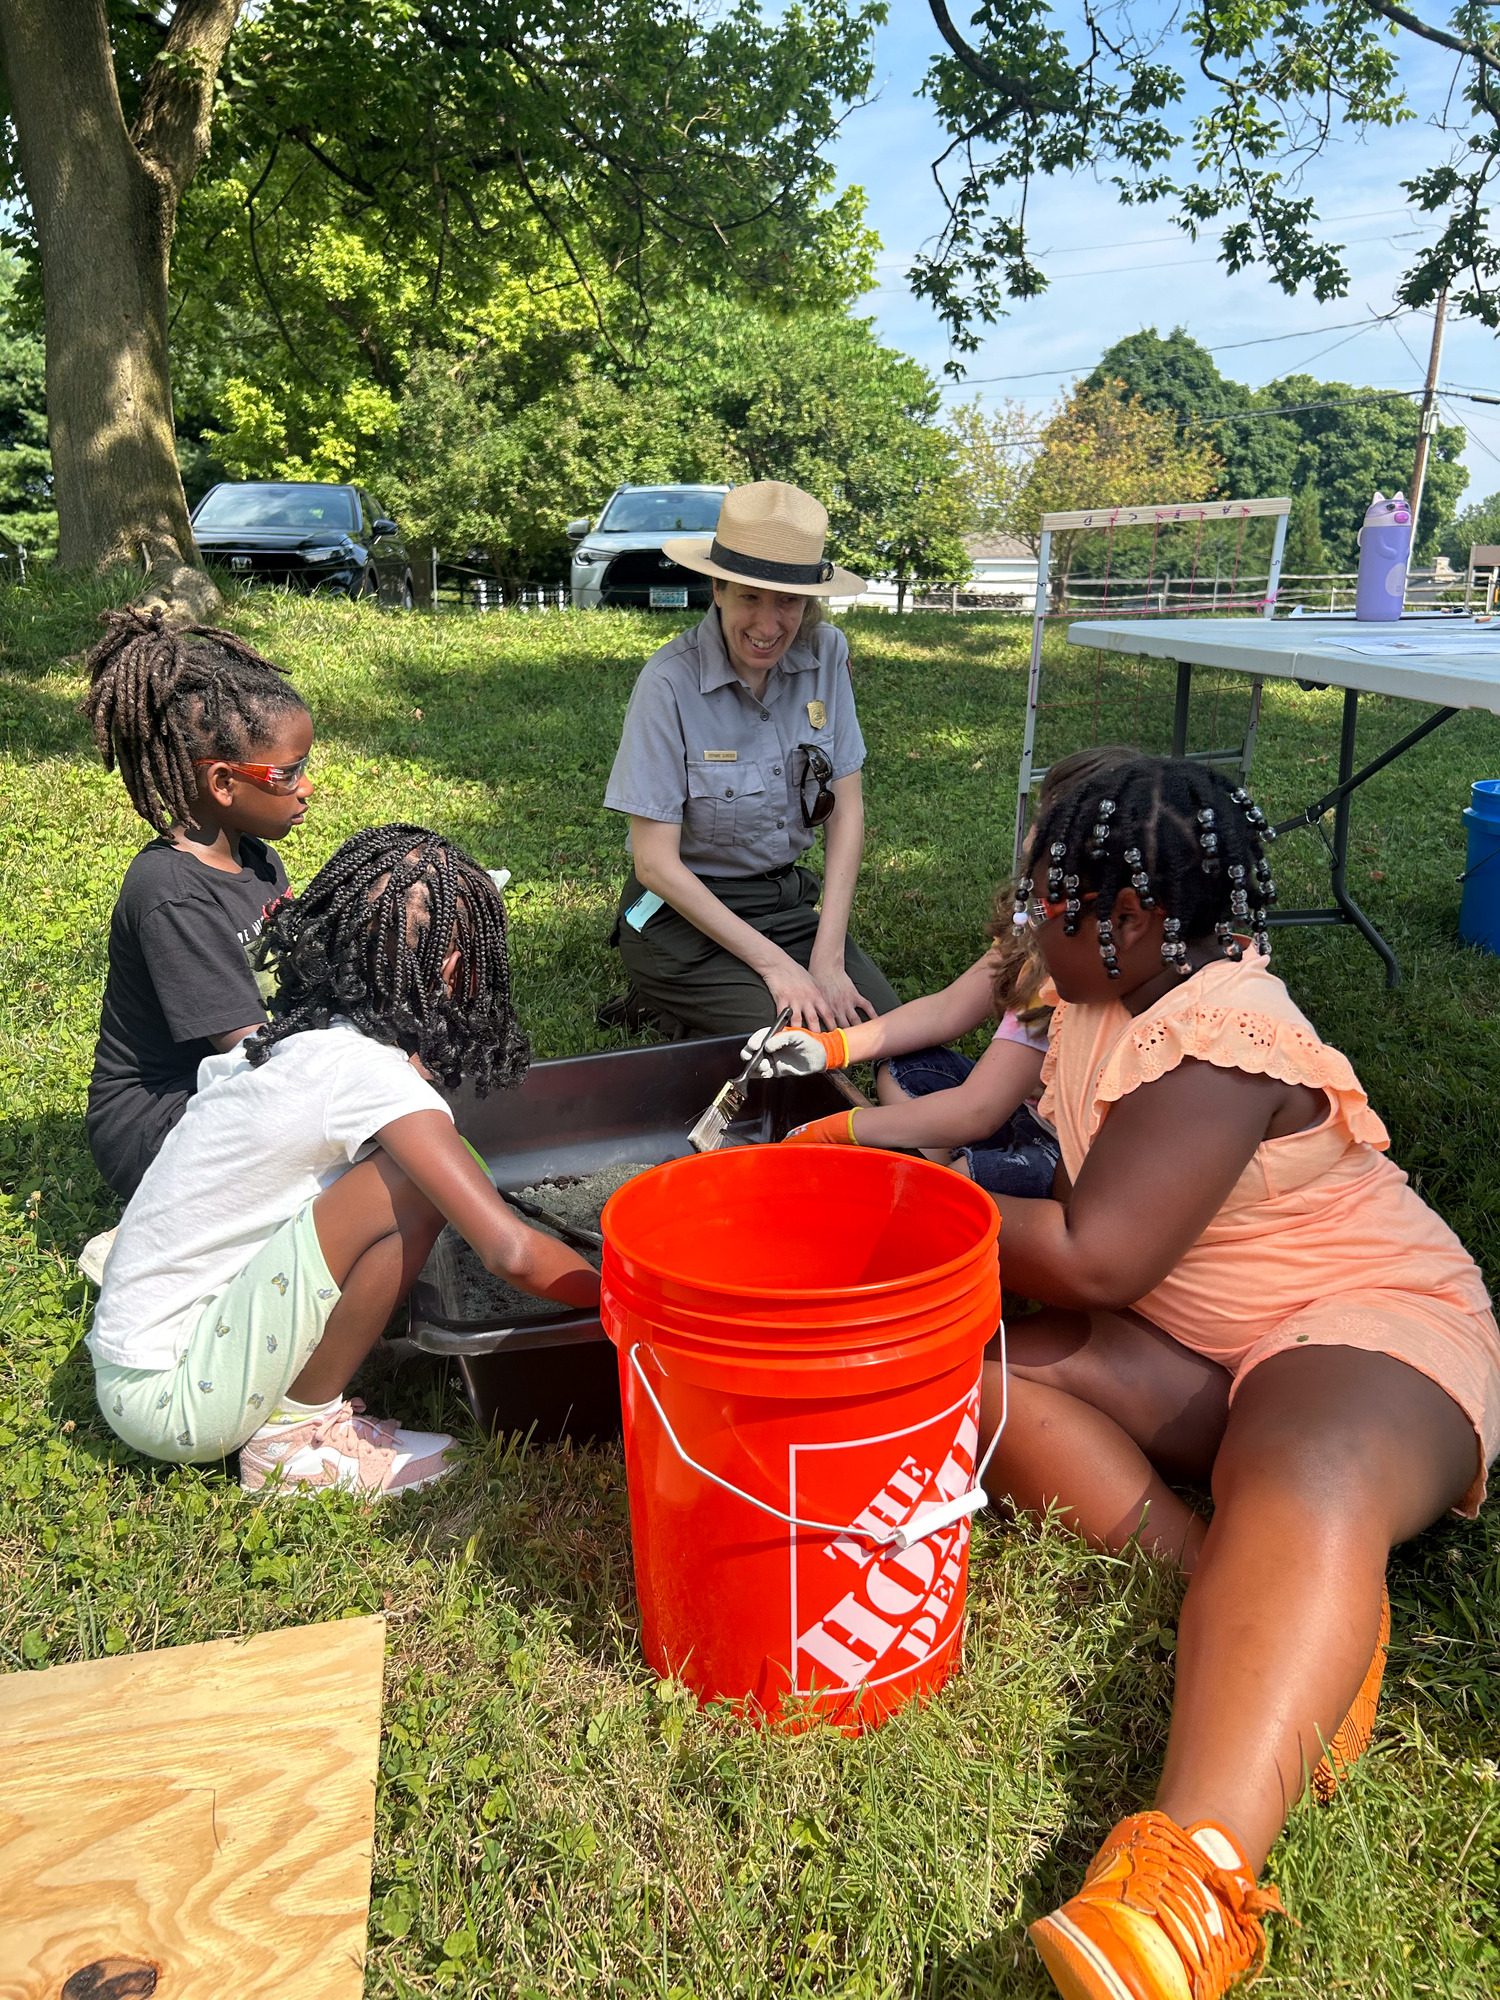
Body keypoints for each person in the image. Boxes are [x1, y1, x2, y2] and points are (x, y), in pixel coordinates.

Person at [969, 756, 1499, 2000]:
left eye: (1050, 897)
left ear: (1138, 917)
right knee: (971, 1381)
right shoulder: (1100, 1006)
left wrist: (906, 1195)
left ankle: (1189, 1882)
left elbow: (1094, 1254)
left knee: (1302, 1463)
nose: (1029, 916)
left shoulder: (1222, 1031)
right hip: (1205, 1346)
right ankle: (1275, 1609)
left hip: (1365, 1330)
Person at [86, 825, 600, 1498]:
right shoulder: (369, 1078)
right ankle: (289, 1441)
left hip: (142, 1359)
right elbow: (510, 1252)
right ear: (448, 968)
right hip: (171, 1399)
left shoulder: (303, 1042)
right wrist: (625, 1297)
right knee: (413, 1185)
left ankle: (301, 1387)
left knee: (420, 1169)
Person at [746, 747, 1133, 1195]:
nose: (1028, 841)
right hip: (1023, 1113)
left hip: (1065, 1154)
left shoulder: (1067, 971)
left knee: (950, 1197)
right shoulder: (1039, 925)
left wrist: (843, 1129)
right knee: (903, 1069)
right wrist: (832, 1047)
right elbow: (948, 1009)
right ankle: (945, 1164)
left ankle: (951, 1173)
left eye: (1044, 828)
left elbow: (978, 1110)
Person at [602, 480, 899, 1037]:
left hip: (786, 908)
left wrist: (827, 960)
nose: (768, 626)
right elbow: (655, 865)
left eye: (787, 600)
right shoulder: (668, 682)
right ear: (717, 587)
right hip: (681, 918)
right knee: (795, 1046)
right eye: (750, 596)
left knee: (881, 1031)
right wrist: (780, 970)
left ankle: (707, 1008)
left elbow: (847, 812)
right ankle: (666, 1000)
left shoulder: (827, 655)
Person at [82, 606, 314, 1206]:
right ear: (221, 784)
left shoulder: (256, 858)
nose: (307, 788)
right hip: (161, 1121)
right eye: (288, 773)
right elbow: (253, 1051)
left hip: (233, 1084)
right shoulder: (170, 894)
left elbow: (294, 979)